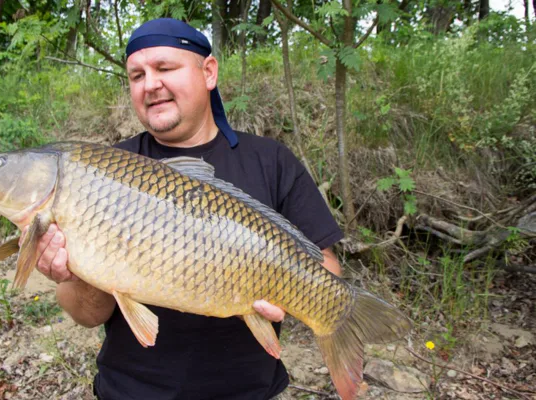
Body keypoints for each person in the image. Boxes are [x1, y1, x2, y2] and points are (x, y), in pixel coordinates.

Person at [27, 18, 344, 400]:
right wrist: (75, 275)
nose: (150, 84)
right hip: (129, 392)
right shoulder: (100, 171)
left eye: (165, 68)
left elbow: (327, 266)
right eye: (137, 75)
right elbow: (87, 316)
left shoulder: (271, 161)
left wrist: (292, 292)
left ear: (208, 72)